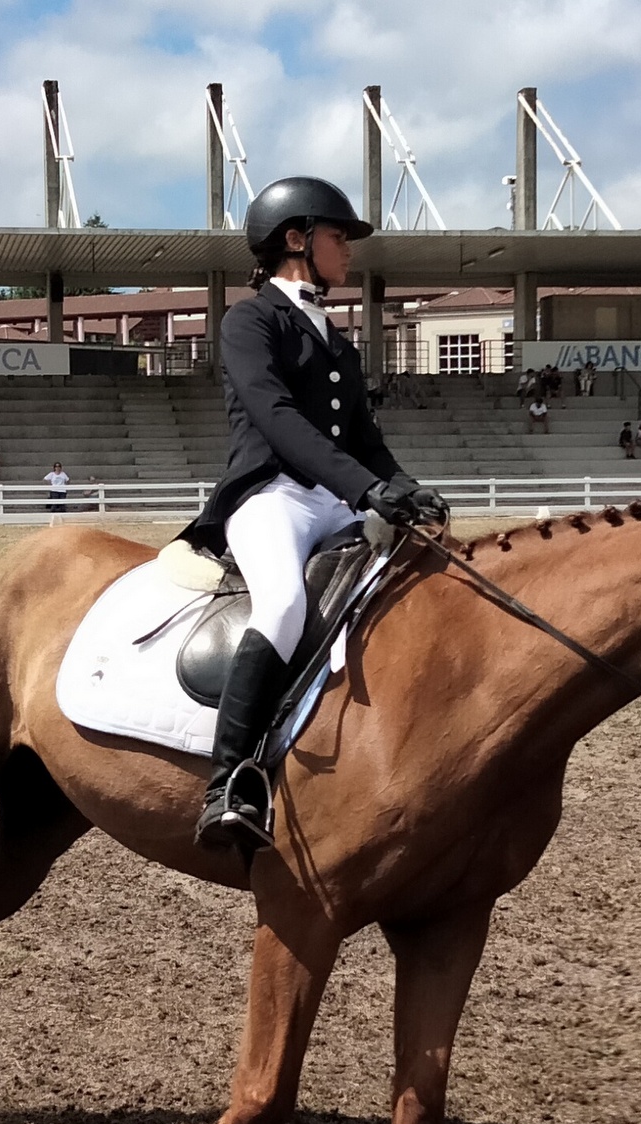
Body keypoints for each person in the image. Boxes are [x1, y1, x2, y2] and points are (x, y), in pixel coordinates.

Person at [173, 174, 445, 850]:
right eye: (338, 236)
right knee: (285, 606)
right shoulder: (249, 321)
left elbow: (366, 440)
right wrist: (364, 489)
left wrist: (405, 487)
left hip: (334, 500)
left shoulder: (335, 338)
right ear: (296, 239)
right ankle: (228, 784)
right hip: (272, 498)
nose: (348, 249)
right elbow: (277, 418)